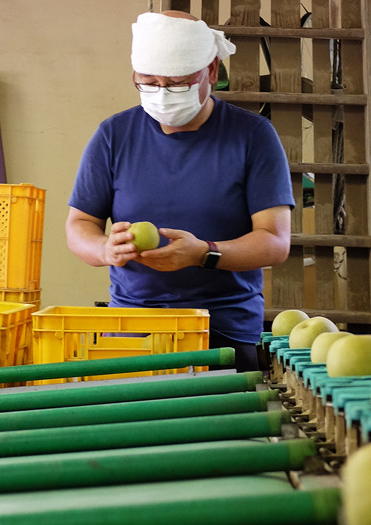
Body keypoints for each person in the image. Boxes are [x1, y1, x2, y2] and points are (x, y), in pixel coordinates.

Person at [65, 10, 295, 372]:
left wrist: (205, 253)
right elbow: (79, 224)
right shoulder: (113, 136)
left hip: (224, 331)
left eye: (178, 83)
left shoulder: (252, 136)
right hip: (133, 330)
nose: (163, 94)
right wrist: (104, 249)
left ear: (212, 72)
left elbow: (275, 241)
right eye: (149, 83)